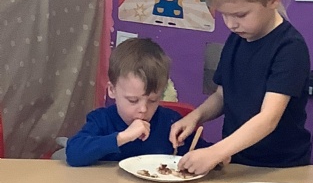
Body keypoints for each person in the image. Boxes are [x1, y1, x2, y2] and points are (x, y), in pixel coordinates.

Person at [170, 0, 311, 175]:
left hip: (280, 167)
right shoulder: (238, 37)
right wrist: (195, 116)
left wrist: (215, 152)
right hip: (237, 161)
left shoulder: (290, 48)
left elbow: (268, 119)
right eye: (224, 14)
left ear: (273, 0)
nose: (231, 24)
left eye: (240, 14)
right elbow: (222, 96)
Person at [66, 38, 210, 166]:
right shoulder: (101, 120)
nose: (143, 109)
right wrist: (123, 137)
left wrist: (212, 156)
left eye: (153, 100)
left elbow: (205, 153)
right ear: (112, 90)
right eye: (133, 100)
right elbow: (74, 154)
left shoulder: (170, 122)